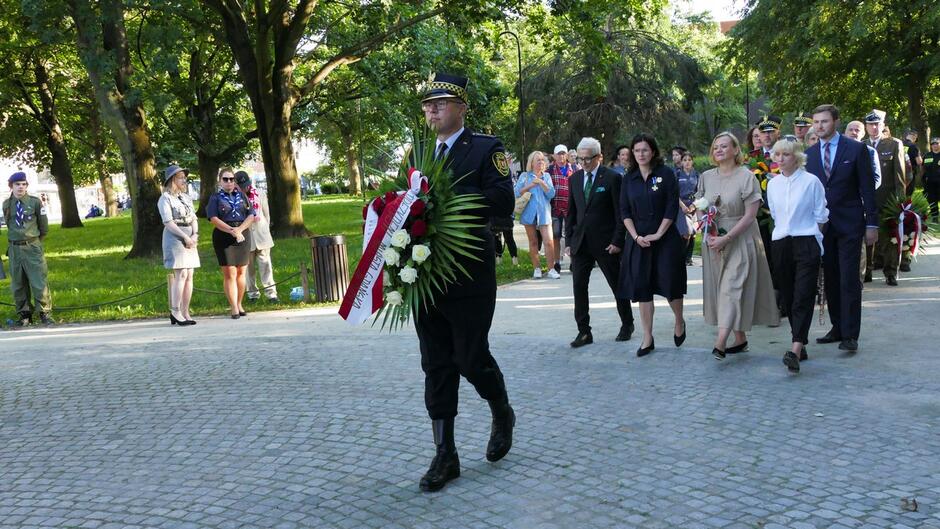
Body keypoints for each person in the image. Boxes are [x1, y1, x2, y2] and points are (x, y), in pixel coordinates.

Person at [413, 73, 515, 492]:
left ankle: (501, 410)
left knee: (471, 357)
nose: (432, 109)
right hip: (425, 272)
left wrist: (447, 203)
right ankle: (445, 454)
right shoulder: (418, 153)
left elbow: (503, 201)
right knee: (436, 362)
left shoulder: (487, 149)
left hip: (469, 271)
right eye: (427, 104)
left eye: (440, 102)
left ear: (461, 107)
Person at [696, 132, 778, 359]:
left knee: (731, 289)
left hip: (741, 238)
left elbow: (750, 216)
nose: (719, 150)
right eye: (715, 147)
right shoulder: (706, 176)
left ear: (735, 150)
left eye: (724, 146)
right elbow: (700, 204)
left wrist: (727, 237)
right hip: (713, 240)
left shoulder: (746, 176)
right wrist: (706, 228)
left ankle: (720, 342)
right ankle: (739, 339)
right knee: (722, 289)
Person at [805, 104, 877, 353]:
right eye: (816, 122)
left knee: (849, 279)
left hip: (850, 224)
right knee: (831, 279)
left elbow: (868, 189)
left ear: (835, 121)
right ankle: (837, 327)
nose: (819, 126)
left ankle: (850, 334)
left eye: (824, 121)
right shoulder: (810, 154)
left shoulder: (857, 150)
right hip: (823, 227)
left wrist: (872, 224)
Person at [618, 133, 685, 357]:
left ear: (653, 151)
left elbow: (670, 206)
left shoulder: (665, 174)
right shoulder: (629, 178)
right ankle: (648, 336)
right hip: (639, 241)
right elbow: (624, 211)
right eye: (637, 150)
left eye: (645, 150)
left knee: (670, 284)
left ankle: (679, 320)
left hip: (665, 238)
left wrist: (659, 233)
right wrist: (636, 236)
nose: (641, 154)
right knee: (642, 288)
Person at [566, 137, 635, 348]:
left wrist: (617, 241)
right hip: (581, 244)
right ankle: (584, 331)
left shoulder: (612, 178)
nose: (584, 163)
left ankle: (627, 324)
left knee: (616, 285)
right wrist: (569, 241)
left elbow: (620, 213)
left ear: (599, 157)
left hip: (607, 244)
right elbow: (572, 213)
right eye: (580, 158)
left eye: (588, 158)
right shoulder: (575, 178)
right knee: (579, 286)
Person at [767, 140, 828, 373]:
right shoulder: (773, 185)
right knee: (790, 296)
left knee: (803, 295)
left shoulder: (811, 181)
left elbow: (821, 214)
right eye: (777, 154)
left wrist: (816, 242)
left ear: (797, 157)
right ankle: (800, 343)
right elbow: (774, 213)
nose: (781, 159)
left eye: (786, 154)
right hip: (781, 242)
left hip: (806, 241)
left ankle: (794, 349)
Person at [3, 172, 53, 326]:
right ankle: (25, 315)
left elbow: (44, 228)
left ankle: (45, 313)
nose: (21, 187)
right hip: (14, 249)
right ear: (11, 186)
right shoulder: (7, 204)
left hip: (32, 247)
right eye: (17, 184)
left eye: (24, 184)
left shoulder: (35, 202)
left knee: (38, 281)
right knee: (18, 284)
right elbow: (9, 224)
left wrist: (33, 242)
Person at [207, 167, 256, 319]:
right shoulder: (215, 198)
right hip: (224, 236)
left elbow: (251, 214)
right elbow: (213, 218)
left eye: (231, 179)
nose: (229, 182)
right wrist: (231, 230)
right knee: (230, 273)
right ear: (220, 181)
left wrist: (239, 230)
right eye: (225, 179)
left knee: (241, 271)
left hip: (242, 235)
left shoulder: (242, 195)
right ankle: (233, 306)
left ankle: (240, 303)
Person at [865, 109, 907, 283]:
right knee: (866, 238)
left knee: (889, 238)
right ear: (866, 126)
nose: (874, 127)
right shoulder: (860, 145)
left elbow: (900, 176)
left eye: (877, 124)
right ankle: (866, 272)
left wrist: (900, 201)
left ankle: (890, 273)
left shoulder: (893, 144)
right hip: (866, 200)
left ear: (883, 125)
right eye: (871, 124)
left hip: (888, 199)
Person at [158, 165, 200, 325]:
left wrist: (195, 234)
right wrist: (185, 237)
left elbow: (194, 217)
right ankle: (175, 311)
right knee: (181, 273)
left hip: (190, 236)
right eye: (181, 177)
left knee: (189, 274)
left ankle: (185, 311)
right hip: (175, 237)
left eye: (184, 177)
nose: (184, 180)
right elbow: (168, 222)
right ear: (172, 180)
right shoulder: (165, 199)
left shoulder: (186, 197)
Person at [844, 120, 882, 283]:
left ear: (863, 133)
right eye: (850, 129)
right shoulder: (839, 150)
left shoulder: (870, 151)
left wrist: (859, 191)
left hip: (859, 203)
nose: (854, 132)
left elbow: (876, 179)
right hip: (838, 205)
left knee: (859, 245)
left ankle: (858, 279)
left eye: (857, 130)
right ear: (845, 132)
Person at [515, 151, 559, 278]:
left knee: (549, 241)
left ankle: (551, 269)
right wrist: (531, 184)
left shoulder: (547, 176)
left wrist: (541, 182)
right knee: (533, 242)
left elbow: (551, 194)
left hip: (544, 213)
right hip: (529, 213)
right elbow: (517, 192)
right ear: (532, 163)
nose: (541, 162)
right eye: (538, 160)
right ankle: (537, 269)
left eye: (542, 160)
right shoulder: (525, 176)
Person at [235, 171, 278, 302]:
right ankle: (252, 294)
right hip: (246, 236)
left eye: (246, 185)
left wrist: (265, 229)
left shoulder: (260, 193)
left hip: (262, 235)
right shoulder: (235, 197)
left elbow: (267, 214)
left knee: (266, 265)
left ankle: (271, 294)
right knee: (249, 268)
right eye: (242, 186)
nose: (245, 188)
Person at [548, 144, 574, 274]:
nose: (561, 156)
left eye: (563, 153)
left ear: (567, 155)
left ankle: (573, 262)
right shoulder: (550, 170)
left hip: (571, 208)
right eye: (558, 154)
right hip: (555, 208)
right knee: (556, 236)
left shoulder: (574, 168)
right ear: (554, 156)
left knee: (571, 235)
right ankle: (557, 262)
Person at [676, 152, 699, 265]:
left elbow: (700, 192)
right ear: (681, 162)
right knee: (685, 232)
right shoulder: (678, 174)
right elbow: (673, 193)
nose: (687, 162)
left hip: (693, 206)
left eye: (689, 160)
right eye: (684, 160)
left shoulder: (697, 175)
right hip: (681, 207)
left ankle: (688, 258)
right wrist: (683, 206)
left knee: (693, 232)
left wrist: (694, 205)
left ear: (692, 161)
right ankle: (681, 256)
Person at [924, 137, 940, 221]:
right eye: (933, 144)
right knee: (932, 200)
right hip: (930, 182)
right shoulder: (927, 155)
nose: (935, 145)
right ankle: (935, 217)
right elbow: (922, 168)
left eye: (937, 143)